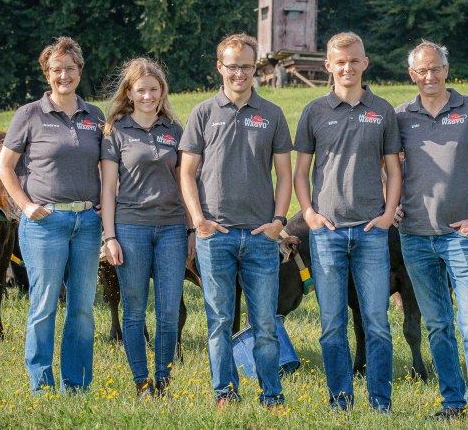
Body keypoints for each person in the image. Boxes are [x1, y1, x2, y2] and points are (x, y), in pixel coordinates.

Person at [395, 40, 468, 423]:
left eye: (436, 68)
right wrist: (388, 201)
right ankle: (452, 404)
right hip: (414, 235)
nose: (429, 76)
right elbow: (387, 168)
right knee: (438, 324)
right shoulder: (400, 117)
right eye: (421, 70)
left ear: (447, 69)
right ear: (412, 74)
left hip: (461, 237)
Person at [179, 33, 293, 409]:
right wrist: (198, 221)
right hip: (216, 234)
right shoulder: (203, 113)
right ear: (220, 67)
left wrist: (278, 221)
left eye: (246, 66)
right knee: (219, 321)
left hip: (261, 235)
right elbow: (187, 172)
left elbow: (285, 174)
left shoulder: (271, 114)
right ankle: (224, 392)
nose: (239, 73)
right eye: (232, 66)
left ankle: (271, 394)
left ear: (255, 67)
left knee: (265, 324)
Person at [293, 32, 402, 412]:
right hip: (327, 234)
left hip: (372, 233)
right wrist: (308, 213)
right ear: (328, 66)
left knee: (376, 322)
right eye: (340, 62)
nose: (347, 67)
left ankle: (380, 402)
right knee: (332, 324)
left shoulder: (382, 110)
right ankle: (340, 399)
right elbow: (301, 172)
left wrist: (389, 213)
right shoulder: (314, 112)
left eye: (354, 60)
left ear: (365, 62)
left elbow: (393, 168)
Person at [0, 36, 106, 393]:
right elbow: (5, 167)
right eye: (57, 70)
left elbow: (106, 167)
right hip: (46, 223)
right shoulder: (29, 114)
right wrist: (26, 206)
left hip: (88, 223)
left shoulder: (95, 116)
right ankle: (40, 385)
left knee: (82, 309)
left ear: (79, 71)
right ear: (47, 74)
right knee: (44, 306)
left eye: (70, 69)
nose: (64, 75)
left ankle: (76, 385)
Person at [99, 58, 189, 399]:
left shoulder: (174, 131)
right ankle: (141, 382)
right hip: (130, 228)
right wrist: (109, 237)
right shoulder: (116, 131)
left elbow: (185, 184)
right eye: (141, 90)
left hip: (171, 229)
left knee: (168, 310)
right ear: (129, 93)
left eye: (154, 89)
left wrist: (191, 231)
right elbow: (108, 189)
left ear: (162, 92)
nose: (148, 96)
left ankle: (163, 380)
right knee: (134, 310)